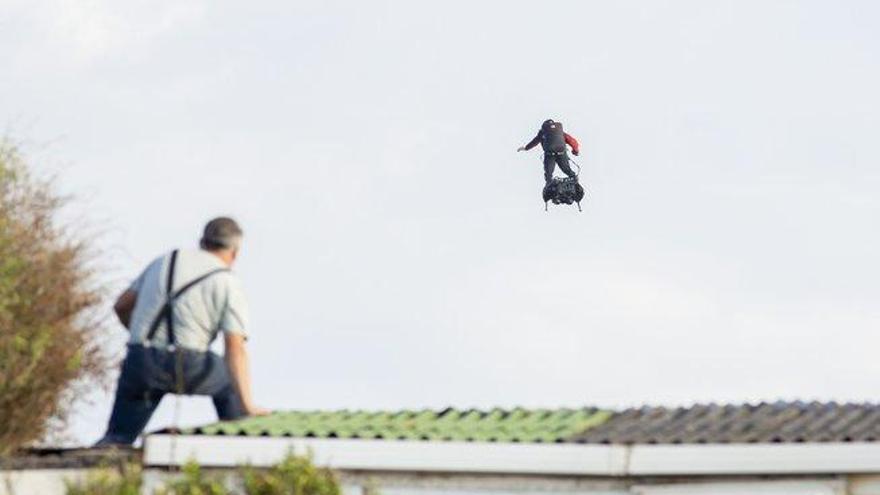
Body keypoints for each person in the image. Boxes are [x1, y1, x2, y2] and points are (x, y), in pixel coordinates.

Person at [96, 217, 268, 446]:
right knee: (229, 380)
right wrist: (247, 405)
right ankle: (240, 443)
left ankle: (100, 461)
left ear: (202, 242)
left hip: (141, 360)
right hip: (189, 364)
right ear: (234, 252)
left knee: (117, 439)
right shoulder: (227, 281)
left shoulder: (165, 260)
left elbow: (121, 306)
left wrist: (142, 342)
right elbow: (234, 348)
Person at [517, 119, 581, 184]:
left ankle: (550, 188)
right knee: (566, 170)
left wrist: (526, 148)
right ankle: (575, 183)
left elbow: (534, 142)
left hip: (549, 155)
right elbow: (572, 141)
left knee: (548, 173)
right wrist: (575, 151)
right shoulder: (561, 133)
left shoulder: (543, 132)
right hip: (562, 153)